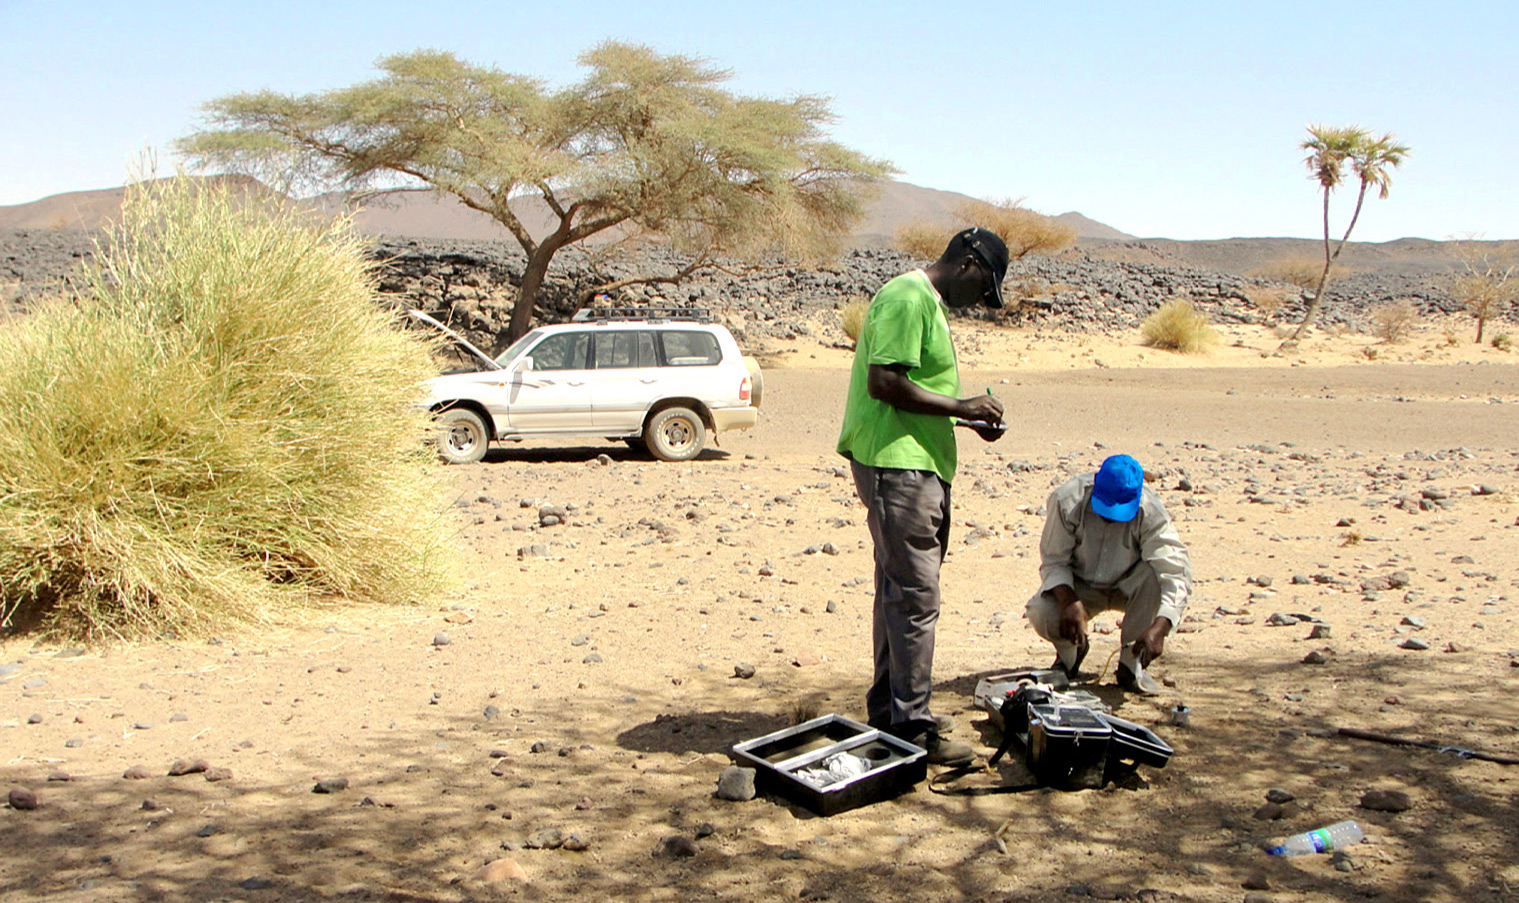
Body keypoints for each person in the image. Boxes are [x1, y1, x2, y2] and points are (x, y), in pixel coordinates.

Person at [837, 227, 1009, 766]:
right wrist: (963, 407)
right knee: (915, 601)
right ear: (967, 263)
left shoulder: (921, 302)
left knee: (898, 593)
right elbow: (883, 383)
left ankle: (892, 717)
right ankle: (912, 729)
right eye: (984, 287)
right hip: (898, 468)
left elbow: (909, 389)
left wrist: (966, 417)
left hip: (912, 465)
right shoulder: (908, 296)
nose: (980, 301)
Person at [1024, 454, 1192, 694]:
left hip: (1130, 584)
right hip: (1080, 585)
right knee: (1042, 612)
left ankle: (1130, 665)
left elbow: (1176, 573)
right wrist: (1068, 601)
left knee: (1155, 577)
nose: (1110, 518)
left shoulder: (1150, 510)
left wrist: (1160, 628)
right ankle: (1071, 655)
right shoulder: (1067, 500)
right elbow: (1054, 561)